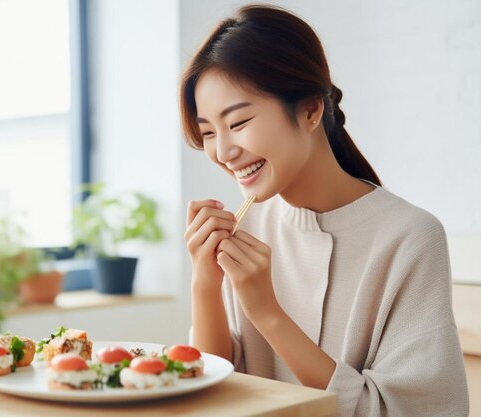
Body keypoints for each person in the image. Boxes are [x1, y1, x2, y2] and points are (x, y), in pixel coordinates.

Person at [181, 4, 469, 417]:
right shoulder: (247, 227)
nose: (223, 151)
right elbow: (209, 391)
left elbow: (405, 410)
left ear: (311, 110)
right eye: (208, 132)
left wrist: (267, 312)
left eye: (239, 122)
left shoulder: (410, 237)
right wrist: (203, 283)